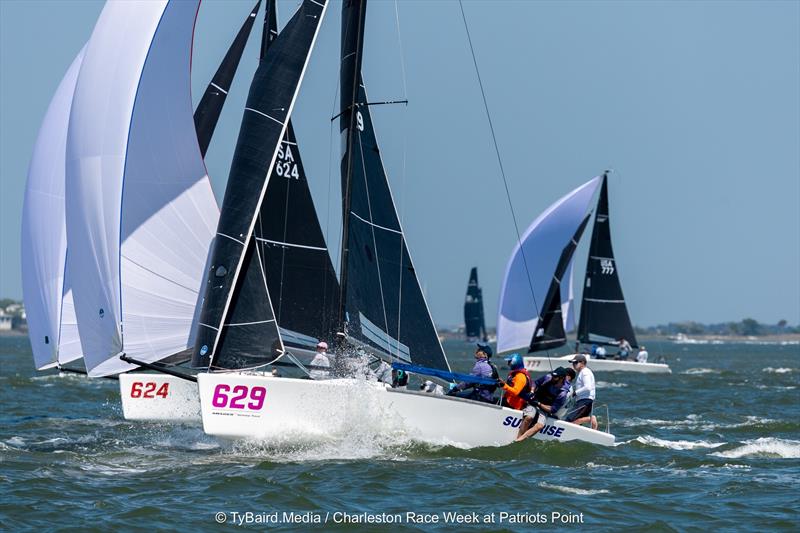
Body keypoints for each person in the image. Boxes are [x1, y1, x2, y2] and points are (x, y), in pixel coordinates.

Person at [515, 367, 571, 441]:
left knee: (540, 426)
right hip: (534, 401)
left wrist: (539, 404)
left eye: (555, 377)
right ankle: (518, 438)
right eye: (553, 375)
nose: (553, 378)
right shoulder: (548, 377)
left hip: (545, 408)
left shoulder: (563, 393)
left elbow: (553, 409)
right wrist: (532, 391)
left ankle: (519, 440)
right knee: (529, 417)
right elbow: (535, 383)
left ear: (561, 378)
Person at [565, 354, 597, 430]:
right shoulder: (583, 372)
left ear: (582, 363)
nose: (573, 365)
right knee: (574, 423)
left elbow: (588, 387)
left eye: (575, 363)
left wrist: (575, 393)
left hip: (585, 401)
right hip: (584, 401)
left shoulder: (585, 372)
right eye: (573, 363)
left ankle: (591, 419)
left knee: (569, 420)